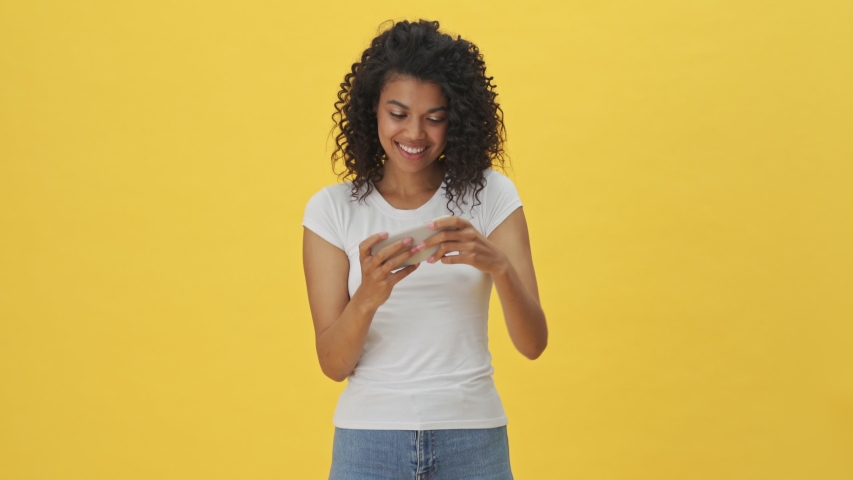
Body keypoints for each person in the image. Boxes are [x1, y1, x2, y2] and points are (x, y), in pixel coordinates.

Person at [302, 19, 547, 480]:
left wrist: (498, 266)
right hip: (368, 441)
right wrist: (369, 295)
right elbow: (333, 364)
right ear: (371, 110)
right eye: (398, 114)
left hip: (473, 438)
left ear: (456, 118)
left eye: (435, 118)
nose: (415, 133)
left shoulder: (490, 195)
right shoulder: (331, 210)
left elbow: (533, 343)